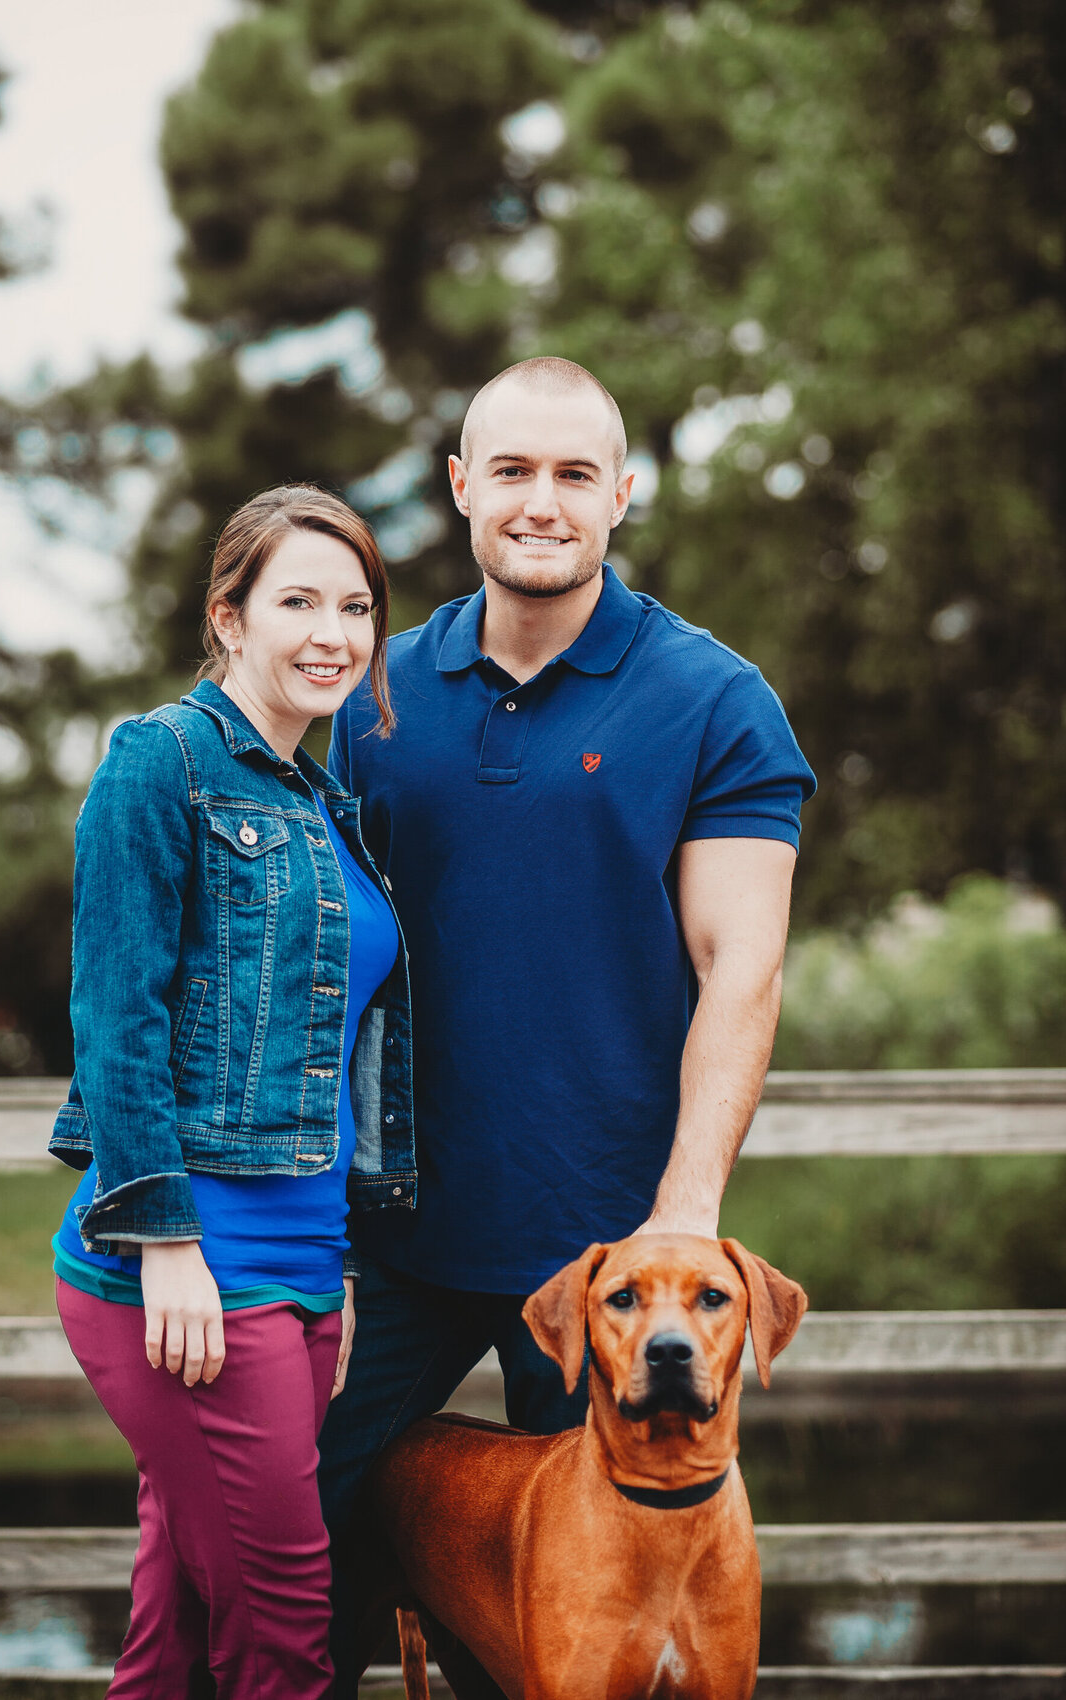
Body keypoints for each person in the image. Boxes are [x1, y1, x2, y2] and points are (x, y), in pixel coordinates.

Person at [318, 357, 817, 1693]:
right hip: (390, 1242)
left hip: (608, 1261)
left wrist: (681, 1221)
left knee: (553, 1653)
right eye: (514, 470)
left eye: (575, 473)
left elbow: (742, 966)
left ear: (622, 495)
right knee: (290, 1584)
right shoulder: (367, 699)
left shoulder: (715, 702)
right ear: (461, 486)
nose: (542, 501)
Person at [48, 486, 415, 1700]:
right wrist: (166, 1245)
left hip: (303, 1275)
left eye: (355, 606)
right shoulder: (164, 762)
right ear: (230, 615)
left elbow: (335, 1065)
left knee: (181, 1628)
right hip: (186, 1279)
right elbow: (116, 1020)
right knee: (289, 1628)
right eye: (297, 600)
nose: (333, 632)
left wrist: (342, 1265)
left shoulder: (326, 806)